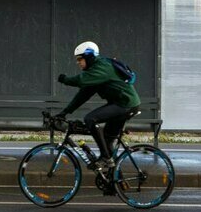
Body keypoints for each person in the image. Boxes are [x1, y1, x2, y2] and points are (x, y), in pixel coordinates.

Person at [56, 41, 140, 170]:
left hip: (126, 105)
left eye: (80, 58)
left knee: (91, 119)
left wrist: (65, 79)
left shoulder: (102, 68)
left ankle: (106, 158)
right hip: (120, 104)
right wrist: (65, 112)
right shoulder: (95, 71)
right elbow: (83, 95)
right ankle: (114, 183)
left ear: (89, 56)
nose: (78, 62)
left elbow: (81, 80)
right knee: (107, 142)